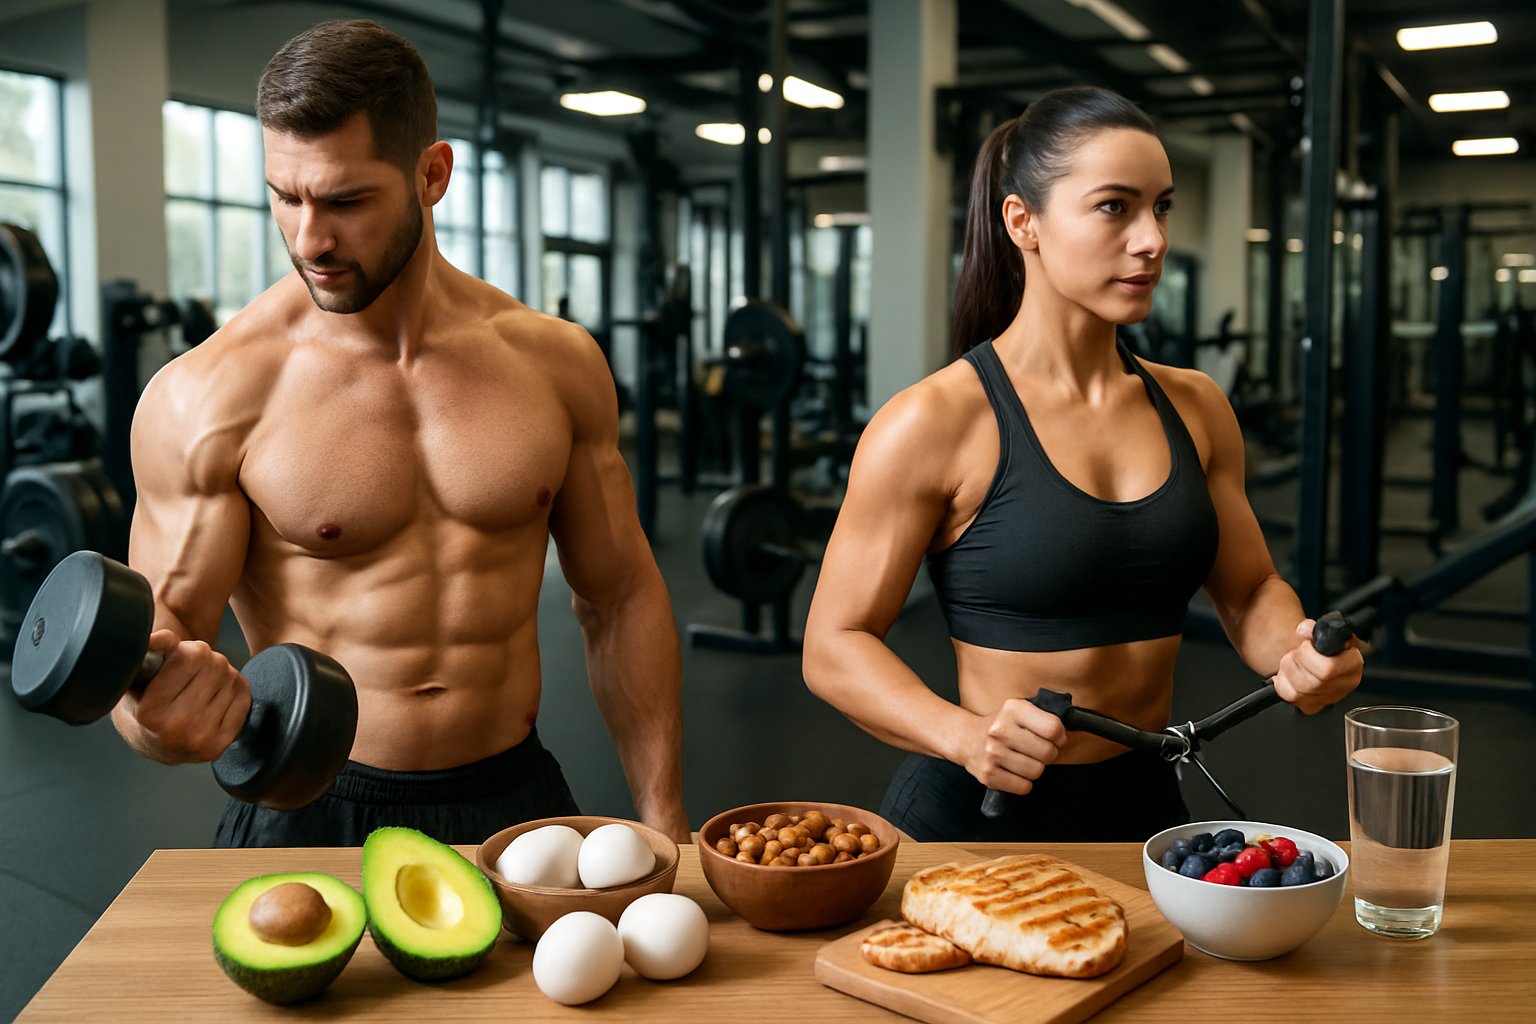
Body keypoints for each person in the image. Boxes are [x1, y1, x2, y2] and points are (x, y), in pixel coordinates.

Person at [112, 19, 689, 847]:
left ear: (433, 174)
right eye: (285, 196)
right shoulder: (208, 396)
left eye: (346, 200)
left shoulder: (555, 363)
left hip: (515, 796)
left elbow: (620, 592)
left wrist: (665, 814)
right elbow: (155, 650)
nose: (310, 238)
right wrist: (157, 723)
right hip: (308, 805)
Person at [801, 86, 1363, 843]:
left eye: (1160, 207)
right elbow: (834, 646)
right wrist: (963, 735)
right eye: (1114, 207)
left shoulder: (1195, 406)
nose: (1153, 239)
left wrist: (1296, 656)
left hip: (1146, 808)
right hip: (978, 814)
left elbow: (1250, 589)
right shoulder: (934, 422)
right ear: (1022, 222)